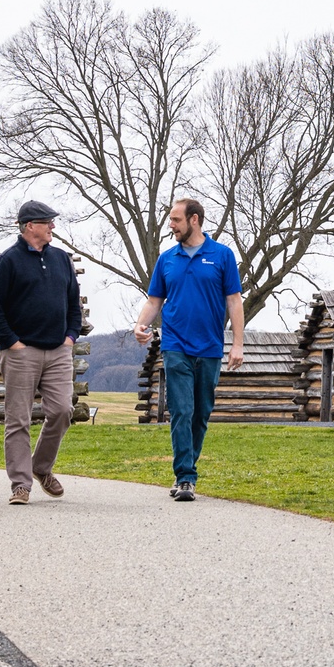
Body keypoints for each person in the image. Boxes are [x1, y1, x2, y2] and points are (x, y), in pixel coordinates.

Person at [133, 196, 244, 502]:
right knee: (182, 410)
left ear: (194, 220)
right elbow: (155, 300)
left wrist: (237, 343)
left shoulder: (221, 256)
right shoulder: (167, 259)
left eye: (176, 220)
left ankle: (186, 469)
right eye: (171, 220)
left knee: (201, 413)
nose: (171, 225)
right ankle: (185, 477)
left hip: (209, 346)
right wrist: (141, 324)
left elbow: (234, 301)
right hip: (175, 344)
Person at [0, 198, 84, 505]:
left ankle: (40, 467)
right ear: (30, 226)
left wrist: (70, 337)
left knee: (62, 411)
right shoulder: (9, 260)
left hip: (58, 351)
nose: (53, 226)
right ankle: (21, 484)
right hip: (20, 352)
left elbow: (73, 305)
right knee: (18, 420)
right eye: (48, 222)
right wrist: (12, 343)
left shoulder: (61, 259)